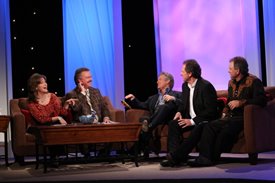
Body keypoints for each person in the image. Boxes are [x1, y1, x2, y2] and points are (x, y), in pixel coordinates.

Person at [187, 56, 267, 167]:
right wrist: (224, 111)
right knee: (209, 126)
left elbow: (262, 100)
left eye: (230, 68)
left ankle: (212, 158)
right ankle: (204, 158)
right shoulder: (231, 83)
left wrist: (241, 102)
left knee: (225, 132)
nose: (228, 71)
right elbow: (229, 101)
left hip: (243, 117)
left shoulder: (254, 81)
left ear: (238, 71)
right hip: (230, 116)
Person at [160, 59, 219, 167]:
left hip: (203, 121)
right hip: (190, 120)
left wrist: (192, 121)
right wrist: (179, 112)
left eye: (183, 71)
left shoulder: (206, 86)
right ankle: (173, 156)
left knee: (199, 126)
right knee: (173, 124)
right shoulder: (185, 86)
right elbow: (183, 104)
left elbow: (211, 111)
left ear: (190, 73)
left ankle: (177, 157)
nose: (180, 73)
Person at [124, 72, 182, 156]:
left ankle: (149, 127)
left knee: (163, 107)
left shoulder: (177, 94)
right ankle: (146, 132)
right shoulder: (153, 98)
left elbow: (183, 104)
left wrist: (173, 99)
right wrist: (133, 99)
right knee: (144, 119)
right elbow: (142, 105)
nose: (157, 82)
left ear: (168, 81)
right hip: (156, 120)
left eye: (160, 79)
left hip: (169, 120)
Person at [27, 73, 76, 167]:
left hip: (53, 125)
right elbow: (40, 119)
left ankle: (56, 157)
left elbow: (62, 113)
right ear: (35, 87)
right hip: (38, 126)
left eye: (45, 82)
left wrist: (66, 105)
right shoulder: (32, 103)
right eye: (41, 83)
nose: (45, 84)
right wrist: (57, 118)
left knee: (55, 128)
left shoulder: (53, 97)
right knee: (50, 129)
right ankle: (55, 157)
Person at [63, 67, 112, 157]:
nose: (91, 79)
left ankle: (103, 154)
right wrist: (82, 94)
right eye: (88, 77)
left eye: (91, 77)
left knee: (113, 129)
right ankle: (87, 154)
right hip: (83, 125)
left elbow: (104, 107)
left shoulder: (96, 91)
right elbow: (76, 110)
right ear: (79, 81)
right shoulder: (71, 94)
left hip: (99, 123)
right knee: (84, 130)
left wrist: (106, 117)